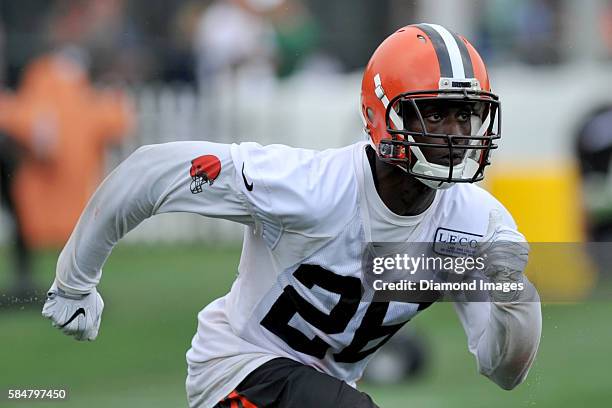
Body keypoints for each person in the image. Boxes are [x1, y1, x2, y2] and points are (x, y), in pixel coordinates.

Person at [41, 24, 541, 408]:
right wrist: (74, 281)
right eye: (434, 113)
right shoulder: (311, 189)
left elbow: (503, 370)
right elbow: (150, 172)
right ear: (381, 114)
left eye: (465, 113)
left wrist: (515, 301)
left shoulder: (475, 226)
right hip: (236, 372)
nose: (456, 133)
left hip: (318, 389)